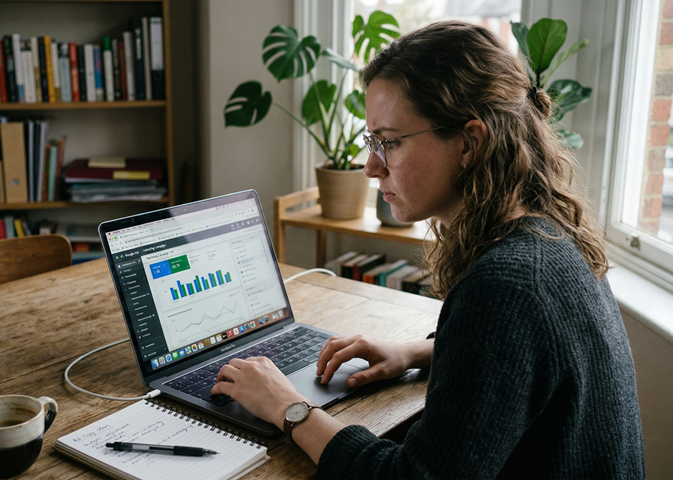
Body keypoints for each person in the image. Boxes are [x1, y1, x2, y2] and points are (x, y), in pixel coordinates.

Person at [210, 20, 645, 479]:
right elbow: (522, 361)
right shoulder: (552, 232)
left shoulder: (506, 284)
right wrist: (417, 353)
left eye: (390, 142)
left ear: (469, 143)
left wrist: (288, 407)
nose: (371, 167)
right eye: (371, 141)